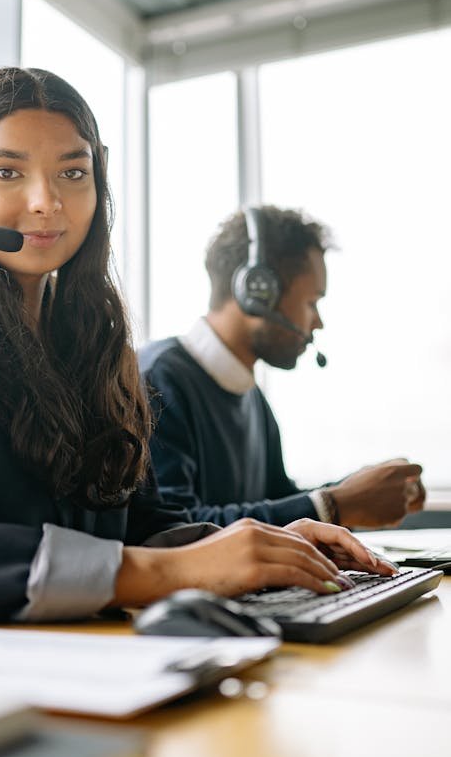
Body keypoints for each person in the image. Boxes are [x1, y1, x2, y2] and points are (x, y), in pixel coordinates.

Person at [0, 74, 393, 636]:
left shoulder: (90, 336)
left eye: (73, 173)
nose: (46, 201)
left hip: (43, 652)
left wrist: (258, 546)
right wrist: (159, 573)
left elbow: (135, 525)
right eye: (6, 172)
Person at [139, 205, 425, 529]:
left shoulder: (250, 396)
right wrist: (332, 505)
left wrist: (358, 493)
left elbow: (276, 501)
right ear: (258, 292)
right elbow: (175, 530)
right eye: (311, 302)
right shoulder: (159, 382)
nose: (318, 322)